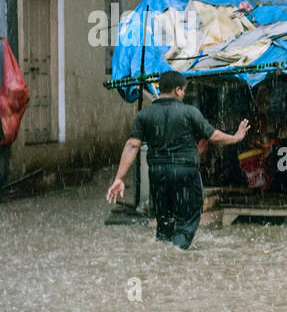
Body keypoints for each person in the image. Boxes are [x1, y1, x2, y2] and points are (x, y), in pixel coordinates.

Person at [106, 70, 249, 249]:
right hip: (185, 172)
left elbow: (132, 146)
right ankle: (177, 252)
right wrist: (236, 137)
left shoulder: (144, 115)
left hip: (158, 174)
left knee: (164, 220)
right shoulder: (189, 112)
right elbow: (214, 136)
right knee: (188, 218)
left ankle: (163, 254)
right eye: (184, 90)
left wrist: (119, 178)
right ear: (179, 90)